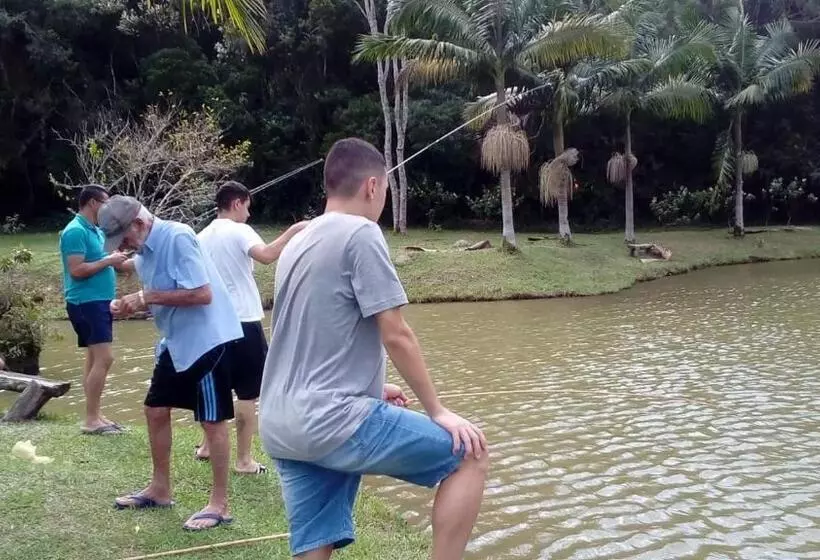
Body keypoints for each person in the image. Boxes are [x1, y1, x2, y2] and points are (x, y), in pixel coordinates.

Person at [259, 137, 490, 560]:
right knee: (468, 454)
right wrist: (437, 410)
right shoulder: (360, 232)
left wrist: (370, 386)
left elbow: (311, 333)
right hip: (329, 420)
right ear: (371, 187)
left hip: (280, 423)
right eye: (385, 189)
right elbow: (395, 331)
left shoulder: (297, 242)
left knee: (315, 541)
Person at [99, 195, 242, 531]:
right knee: (155, 409)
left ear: (139, 223)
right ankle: (160, 489)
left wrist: (146, 297)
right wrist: (130, 303)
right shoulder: (144, 249)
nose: (124, 245)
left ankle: (219, 505)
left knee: (212, 420)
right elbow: (146, 276)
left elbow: (202, 293)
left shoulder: (178, 236)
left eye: (124, 237)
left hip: (207, 341)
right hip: (176, 342)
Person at [194, 181, 308, 473]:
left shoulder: (200, 236)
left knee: (213, 388)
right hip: (243, 322)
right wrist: (295, 230)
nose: (248, 214)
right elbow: (267, 256)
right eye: (247, 207)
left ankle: (207, 446)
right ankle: (244, 460)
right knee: (248, 393)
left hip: (209, 324)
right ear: (236, 203)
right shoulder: (240, 230)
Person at [59, 184, 129, 435]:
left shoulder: (97, 231)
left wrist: (123, 260)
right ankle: (90, 420)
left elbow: (103, 263)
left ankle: (95, 414)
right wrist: (109, 260)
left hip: (100, 301)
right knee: (105, 358)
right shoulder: (74, 231)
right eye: (105, 202)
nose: (108, 208)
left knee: (93, 358)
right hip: (85, 303)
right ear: (91, 202)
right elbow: (76, 271)